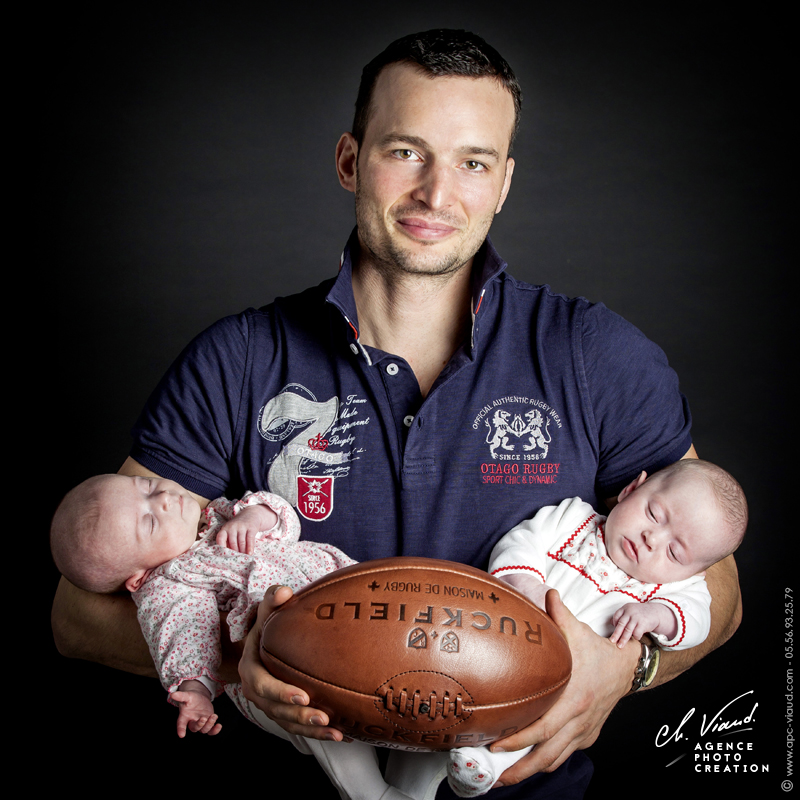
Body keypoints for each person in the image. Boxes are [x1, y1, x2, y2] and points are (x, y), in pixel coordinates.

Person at [52, 29, 742, 798]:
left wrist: (627, 665)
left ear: (504, 182)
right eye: (407, 152)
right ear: (350, 160)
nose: (437, 195)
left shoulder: (598, 355)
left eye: (473, 162)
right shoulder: (236, 360)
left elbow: (721, 588)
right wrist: (236, 654)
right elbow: (76, 613)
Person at [50, 474, 417, 800]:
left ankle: (434, 761)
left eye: (145, 486)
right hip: (281, 664)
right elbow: (186, 634)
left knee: (411, 672)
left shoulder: (216, 514)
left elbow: (285, 523)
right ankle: (370, 792)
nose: (161, 498)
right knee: (323, 717)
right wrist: (195, 690)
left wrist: (255, 516)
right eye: (149, 522)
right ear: (137, 577)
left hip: (339, 598)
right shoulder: (169, 582)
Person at [444, 458, 747, 796]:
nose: (651, 538)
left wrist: (658, 615)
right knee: (450, 691)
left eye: (674, 553)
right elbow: (522, 541)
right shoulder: (573, 518)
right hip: (502, 644)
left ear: (693, 573)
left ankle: (486, 762)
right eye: (653, 514)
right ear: (631, 489)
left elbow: (699, 621)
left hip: (563, 681)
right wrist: (527, 583)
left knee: (542, 722)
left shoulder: (675, 589)